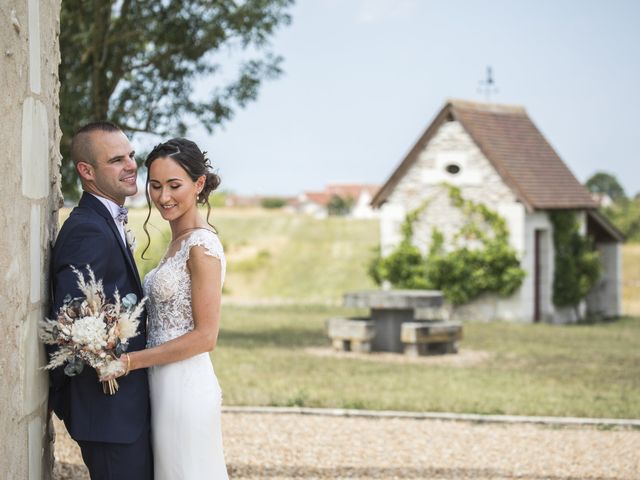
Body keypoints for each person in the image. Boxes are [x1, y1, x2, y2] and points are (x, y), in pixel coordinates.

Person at [100, 138, 229, 479]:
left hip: (185, 389)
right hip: (159, 384)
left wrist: (129, 362)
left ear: (199, 184)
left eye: (175, 185)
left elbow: (205, 337)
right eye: (155, 186)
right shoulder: (176, 243)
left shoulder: (201, 247)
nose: (163, 197)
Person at [49, 122, 153, 479]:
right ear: (87, 171)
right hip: (109, 412)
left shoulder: (105, 220)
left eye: (131, 156)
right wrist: (103, 355)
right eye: (116, 160)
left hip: (124, 411)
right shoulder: (88, 229)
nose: (130, 165)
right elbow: (72, 320)